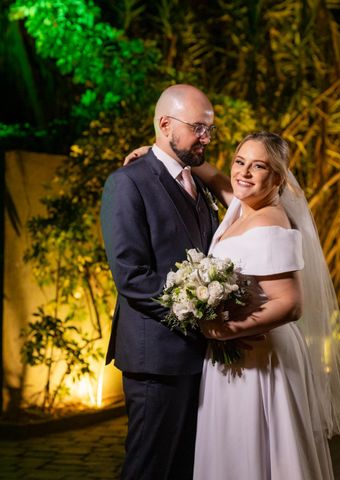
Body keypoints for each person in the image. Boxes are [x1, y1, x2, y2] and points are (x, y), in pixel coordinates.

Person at [125, 131, 340, 479]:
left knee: (254, 453)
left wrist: (222, 330)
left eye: (258, 166)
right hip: (231, 357)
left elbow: (291, 304)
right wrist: (158, 153)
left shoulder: (272, 222)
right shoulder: (243, 206)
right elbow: (219, 177)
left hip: (257, 359)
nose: (244, 172)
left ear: (277, 177)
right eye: (240, 161)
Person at [100, 84, 220, 480]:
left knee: (185, 467)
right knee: (149, 468)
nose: (206, 138)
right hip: (156, 359)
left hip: (198, 357)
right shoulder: (128, 182)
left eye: (210, 129)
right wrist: (196, 313)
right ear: (166, 124)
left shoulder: (199, 184)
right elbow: (130, 274)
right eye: (198, 129)